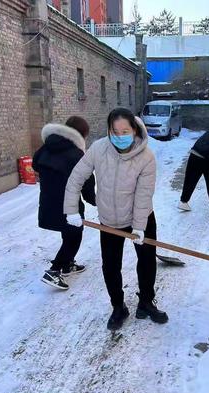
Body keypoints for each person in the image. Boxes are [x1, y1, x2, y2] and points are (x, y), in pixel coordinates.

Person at [64, 108, 168, 331]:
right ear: (109, 131)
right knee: (111, 266)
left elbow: (143, 195)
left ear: (134, 130)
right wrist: (72, 210)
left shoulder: (146, 157)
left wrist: (139, 227)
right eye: (115, 131)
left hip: (141, 217)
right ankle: (118, 307)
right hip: (110, 220)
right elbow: (75, 178)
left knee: (147, 260)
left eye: (125, 131)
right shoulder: (99, 149)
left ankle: (146, 302)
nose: (120, 136)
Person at [33, 116, 96, 290]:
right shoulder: (76, 154)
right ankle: (54, 270)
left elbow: (35, 164)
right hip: (70, 206)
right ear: (81, 134)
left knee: (67, 232)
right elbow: (86, 182)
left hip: (48, 201)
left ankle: (67, 264)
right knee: (75, 235)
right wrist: (95, 200)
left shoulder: (47, 146)